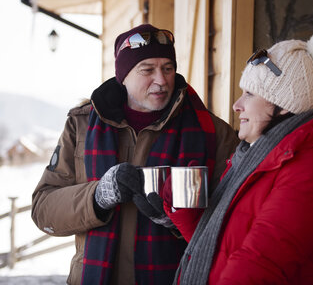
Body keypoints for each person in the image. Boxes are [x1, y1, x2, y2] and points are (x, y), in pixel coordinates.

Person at [31, 23, 239, 285]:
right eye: (147, 70)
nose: (161, 80)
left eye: (168, 68)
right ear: (124, 75)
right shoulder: (81, 125)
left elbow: (237, 221)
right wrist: (96, 196)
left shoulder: (212, 131)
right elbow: (44, 209)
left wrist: (180, 220)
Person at [161, 31, 313, 284]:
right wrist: (183, 206)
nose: (236, 105)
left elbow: (258, 265)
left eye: (250, 94)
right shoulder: (254, 158)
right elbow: (220, 249)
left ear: (284, 105)